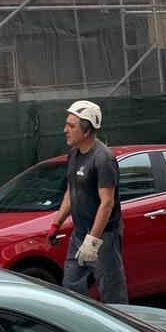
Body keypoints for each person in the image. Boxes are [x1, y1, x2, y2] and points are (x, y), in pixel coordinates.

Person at [49, 99, 128, 304]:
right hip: (78, 235)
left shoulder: (103, 160)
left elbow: (107, 203)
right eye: (66, 124)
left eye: (71, 126)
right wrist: (56, 223)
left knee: (113, 295)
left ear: (86, 131)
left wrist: (92, 242)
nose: (65, 129)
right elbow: (72, 190)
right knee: (72, 288)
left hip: (103, 238)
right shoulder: (74, 154)